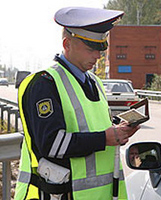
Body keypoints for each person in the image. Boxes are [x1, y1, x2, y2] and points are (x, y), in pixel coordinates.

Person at [14, 7, 140, 200]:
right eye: (90, 49)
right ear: (67, 44)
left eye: (99, 49)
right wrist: (104, 138)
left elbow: (92, 125)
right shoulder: (44, 84)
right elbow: (51, 144)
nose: (97, 56)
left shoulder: (94, 82)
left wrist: (119, 129)